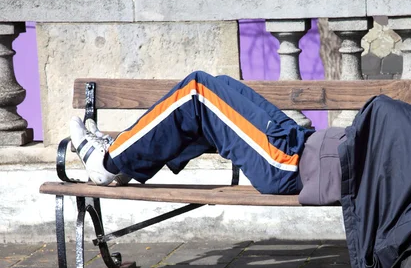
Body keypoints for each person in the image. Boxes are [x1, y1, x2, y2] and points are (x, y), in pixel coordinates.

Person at [70, 70, 346, 205]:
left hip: (292, 165)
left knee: (198, 88)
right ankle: (129, 162)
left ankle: (107, 163)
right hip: (305, 143)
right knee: (221, 83)